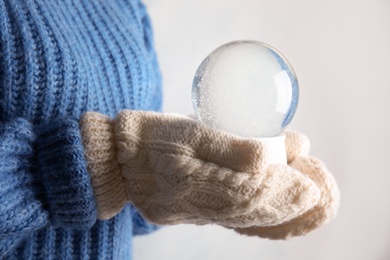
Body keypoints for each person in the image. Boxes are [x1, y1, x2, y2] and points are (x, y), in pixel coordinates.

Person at [0, 0, 339, 259]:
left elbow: (123, 204)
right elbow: (116, 170)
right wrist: (97, 166)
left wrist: (193, 182)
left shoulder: (124, 6)